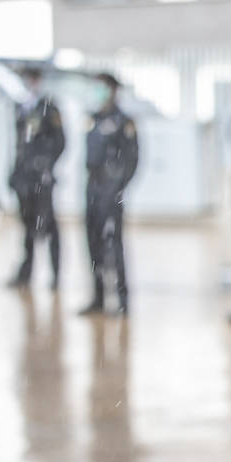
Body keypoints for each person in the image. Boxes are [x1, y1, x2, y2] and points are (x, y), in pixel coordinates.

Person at [79, 73, 139, 316]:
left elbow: (133, 158)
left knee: (113, 244)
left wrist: (118, 186)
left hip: (111, 189)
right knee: (92, 242)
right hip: (92, 186)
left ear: (114, 90)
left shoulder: (123, 120)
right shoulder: (92, 118)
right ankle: (98, 297)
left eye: (104, 87)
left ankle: (122, 299)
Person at [7, 65, 65, 290]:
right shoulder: (21, 107)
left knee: (49, 226)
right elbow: (19, 145)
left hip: (42, 179)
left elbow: (60, 142)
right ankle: (26, 273)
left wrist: (45, 165)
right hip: (24, 179)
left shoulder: (49, 108)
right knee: (27, 227)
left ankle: (55, 275)